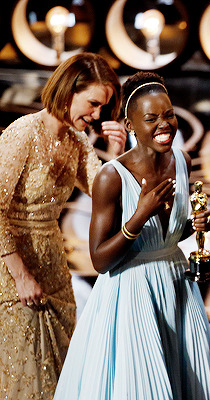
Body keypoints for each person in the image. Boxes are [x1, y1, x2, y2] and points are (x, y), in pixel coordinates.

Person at [53, 71, 210, 400]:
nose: (165, 125)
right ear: (130, 126)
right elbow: (101, 260)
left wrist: (194, 225)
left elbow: (164, 236)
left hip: (177, 287)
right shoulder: (111, 177)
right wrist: (139, 214)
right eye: (151, 118)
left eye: (169, 114)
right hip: (131, 293)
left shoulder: (183, 162)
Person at [0, 52, 124, 399]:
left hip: (55, 270)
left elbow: (105, 196)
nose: (97, 115)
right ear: (69, 91)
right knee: (25, 376)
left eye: (103, 107)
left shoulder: (77, 140)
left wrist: (115, 152)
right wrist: (21, 275)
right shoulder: (24, 131)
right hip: (13, 274)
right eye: (93, 103)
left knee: (61, 377)